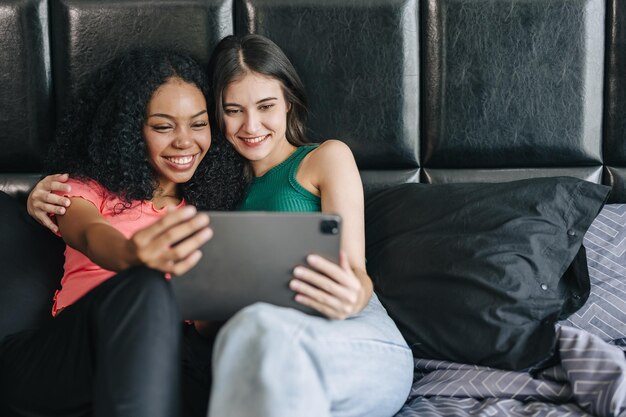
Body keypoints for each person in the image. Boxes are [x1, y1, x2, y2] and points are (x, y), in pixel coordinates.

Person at [28, 34, 414, 417]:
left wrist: (355, 296)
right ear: (218, 116)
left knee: (259, 341)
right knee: (251, 342)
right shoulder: (219, 195)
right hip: (256, 341)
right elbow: (207, 321)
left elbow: (356, 272)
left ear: (289, 104)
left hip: (343, 324)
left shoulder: (323, 158)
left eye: (266, 106)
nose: (251, 125)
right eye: (233, 110)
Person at [6, 49, 245, 417]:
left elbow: (205, 323)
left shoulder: (210, 212)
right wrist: (135, 257)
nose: (185, 141)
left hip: (170, 355)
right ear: (131, 130)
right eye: (164, 126)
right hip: (78, 347)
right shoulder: (84, 189)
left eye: (198, 124)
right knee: (146, 288)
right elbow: (89, 234)